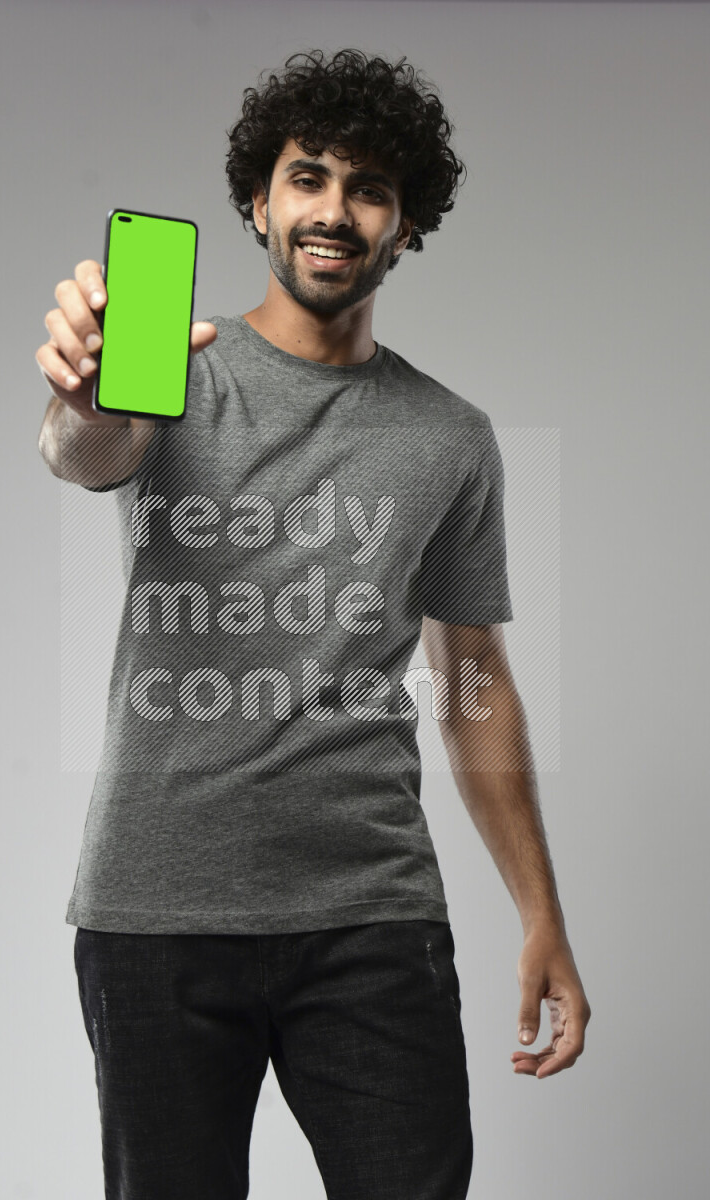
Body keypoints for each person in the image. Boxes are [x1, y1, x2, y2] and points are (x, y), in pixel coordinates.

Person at [36, 48, 590, 1200]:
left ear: (403, 226)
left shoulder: (449, 437)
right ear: (258, 201)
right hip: (155, 911)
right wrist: (82, 399)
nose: (334, 210)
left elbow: (473, 682)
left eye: (369, 187)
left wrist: (539, 913)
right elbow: (87, 454)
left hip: (370, 920)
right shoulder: (167, 369)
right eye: (307, 178)